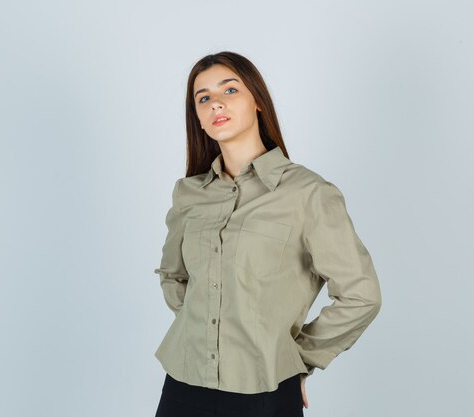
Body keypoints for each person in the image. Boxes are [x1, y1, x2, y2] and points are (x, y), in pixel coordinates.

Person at [152, 51, 382, 417]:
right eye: (204, 97)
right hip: (182, 385)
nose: (216, 104)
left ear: (257, 100)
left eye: (230, 90)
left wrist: (297, 359)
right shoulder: (190, 194)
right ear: (196, 115)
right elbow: (174, 276)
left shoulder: (308, 194)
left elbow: (361, 295)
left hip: (264, 394)